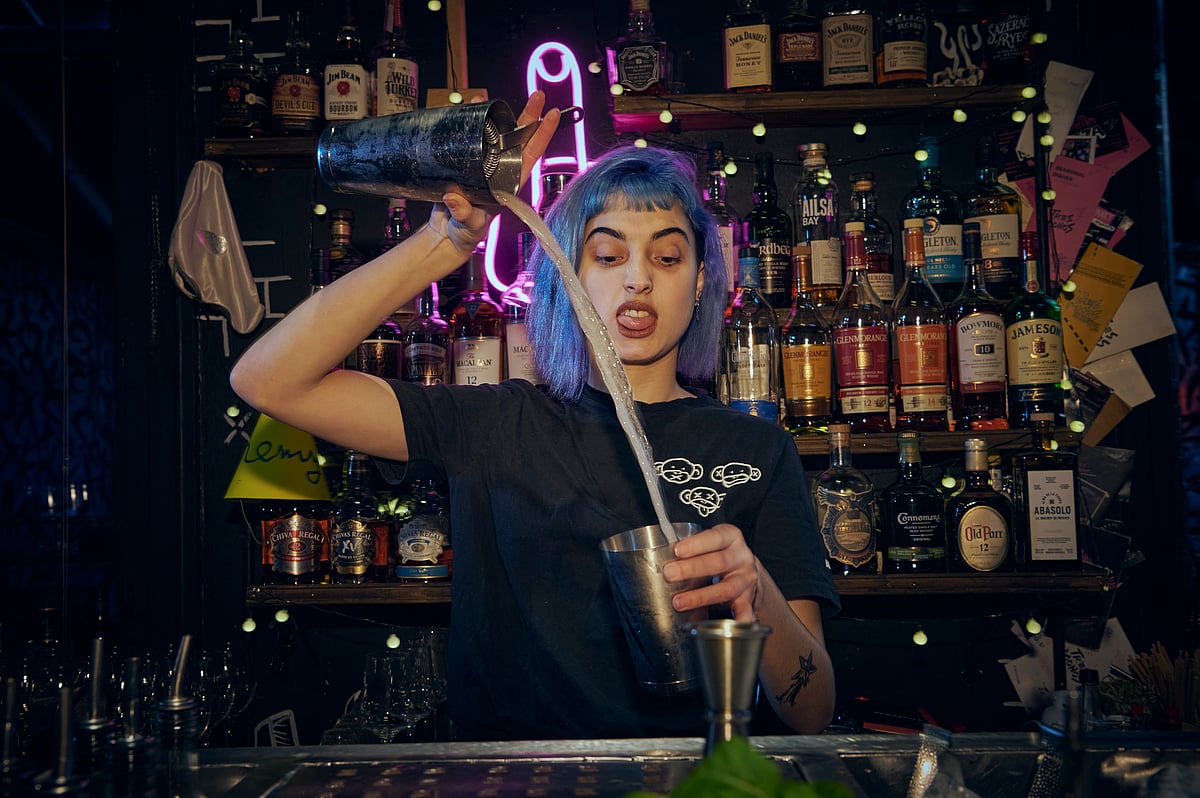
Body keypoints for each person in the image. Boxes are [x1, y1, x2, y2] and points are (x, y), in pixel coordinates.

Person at [230, 90, 839, 740]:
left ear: (699, 283)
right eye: (608, 256)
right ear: (568, 278)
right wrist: (442, 243)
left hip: (693, 778)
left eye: (667, 257)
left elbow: (814, 711)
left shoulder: (757, 449)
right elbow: (268, 380)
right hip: (511, 779)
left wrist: (756, 591)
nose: (637, 279)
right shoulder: (494, 425)